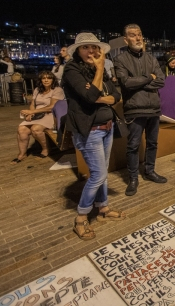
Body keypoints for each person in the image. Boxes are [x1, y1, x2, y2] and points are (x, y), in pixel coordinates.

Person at [62, 33, 126, 240]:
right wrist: (100, 69)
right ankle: (80, 218)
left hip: (106, 127)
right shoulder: (72, 70)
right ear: (78, 52)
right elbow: (90, 97)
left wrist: (101, 97)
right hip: (89, 131)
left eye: (94, 47)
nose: (91, 51)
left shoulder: (97, 72)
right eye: (85, 47)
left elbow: (116, 95)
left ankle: (103, 208)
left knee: (102, 173)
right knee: (98, 175)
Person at [114, 24, 167, 197]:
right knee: (133, 146)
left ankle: (150, 171)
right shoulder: (120, 59)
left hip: (153, 108)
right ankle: (133, 178)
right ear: (125, 39)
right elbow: (126, 83)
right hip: (135, 110)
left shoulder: (151, 59)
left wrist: (140, 82)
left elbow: (161, 81)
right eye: (132, 35)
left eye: (139, 34)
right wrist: (147, 78)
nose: (137, 38)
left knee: (152, 143)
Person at [12, 70, 65, 163]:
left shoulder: (57, 90)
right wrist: (31, 113)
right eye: (43, 78)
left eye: (49, 78)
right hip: (37, 114)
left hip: (51, 114)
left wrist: (33, 111)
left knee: (36, 129)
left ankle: (46, 149)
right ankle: (22, 154)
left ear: (53, 79)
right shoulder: (37, 90)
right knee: (21, 129)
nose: (46, 80)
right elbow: (33, 104)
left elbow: (52, 107)